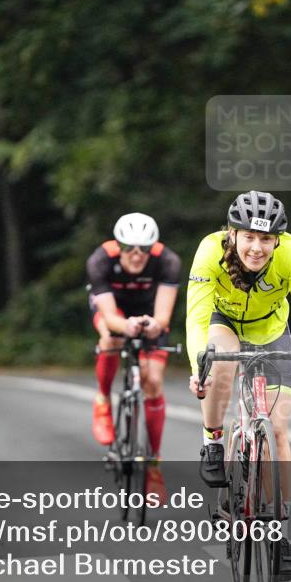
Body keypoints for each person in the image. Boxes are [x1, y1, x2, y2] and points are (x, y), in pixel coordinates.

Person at [186, 190, 291, 580]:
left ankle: (278, 533)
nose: (256, 247)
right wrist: (197, 367)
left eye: (265, 239)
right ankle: (213, 439)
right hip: (224, 323)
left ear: (277, 240)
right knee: (218, 364)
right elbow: (196, 319)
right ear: (232, 234)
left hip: (273, 332)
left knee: (279, 429)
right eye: (248, 237)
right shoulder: (209, 252)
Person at [87, 212, 182, 501]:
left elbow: (163, 316)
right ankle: (103, 399)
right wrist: (125, 326)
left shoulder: (168, 261)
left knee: (152, 382)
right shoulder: (100, 260)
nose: (137, 254)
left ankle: (153, 463)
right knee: (111, 338)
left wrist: (154, 325)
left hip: (149, 314)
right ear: (119, 246)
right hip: (114, 312)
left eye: (144, 248)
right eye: (129, 248)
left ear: (154, 246)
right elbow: (107, 314)